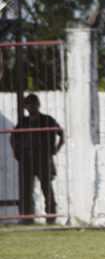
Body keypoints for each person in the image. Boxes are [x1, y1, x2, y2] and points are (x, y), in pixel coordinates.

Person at [10, 94, 64, 225]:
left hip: (43, 159)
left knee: (47, 188)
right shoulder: (23, 122)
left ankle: (51, 217)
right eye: (28, 104)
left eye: (33, 104)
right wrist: (16, 153)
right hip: (27, 160)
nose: (31, 107)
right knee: (26, 190)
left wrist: (56, 149)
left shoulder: (47, 119)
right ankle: (27, 218)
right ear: (25, 107)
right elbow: (13, 137)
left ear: (38, 104)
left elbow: (61, 134)